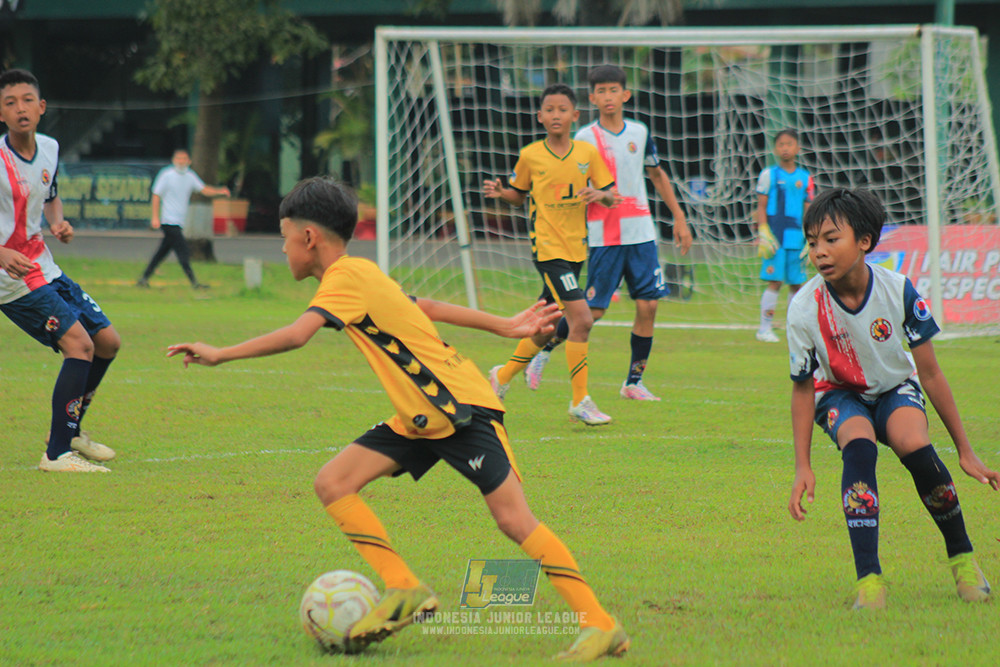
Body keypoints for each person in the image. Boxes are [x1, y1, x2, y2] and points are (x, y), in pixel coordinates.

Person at [166, 176, 630, 661]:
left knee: (514, 519)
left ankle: (600, 624)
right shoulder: (359, 272)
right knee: (333, 483)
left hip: (459, 408)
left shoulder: (345, 279)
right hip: (420, 416)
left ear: (309, 238)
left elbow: (298, 334)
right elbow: (421, 306)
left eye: (284, 238)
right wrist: (501, 324)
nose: (283, 250)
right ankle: (403, 586)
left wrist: (221, 353)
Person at [786, 188, 998, 609]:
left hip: (894, 388)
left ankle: (963, 560)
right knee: (859, 448)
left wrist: (965, 450)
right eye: (813, 242)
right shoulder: (803, 308)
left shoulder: (897, 289)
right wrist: (803, 466)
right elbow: (803, 387)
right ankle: (869, 582)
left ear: (864, 241)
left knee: (915, 446)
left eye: (831, 239)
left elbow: (932, 373)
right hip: (839, 395)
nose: (819, 252)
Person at [524, 65, 693, 401]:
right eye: (600, 91)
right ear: (591, 98)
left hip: (641, 231)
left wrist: (679, 217)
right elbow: (569, 175)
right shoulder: (584, 137)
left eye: (613, 90)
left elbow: (657, 175)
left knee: (648, 305)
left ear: (625, 95)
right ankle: (543, 353)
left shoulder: (640, 132)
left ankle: (633, 382)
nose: (607, 97)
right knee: (593, 311)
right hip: (605, 235)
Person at [0, 68, 120, 472]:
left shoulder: (49, 147)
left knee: (107, 342)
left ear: (42, 107)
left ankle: (70, 432)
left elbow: (50, 194)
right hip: (11, 279)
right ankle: (55, 454)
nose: (21, 109)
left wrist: (57, 222)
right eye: (10, 102)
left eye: (27, 100)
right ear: (0, 113)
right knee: (79, 345)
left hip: (43, 264)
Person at [482, 83, 618, 425]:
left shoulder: (586, 153)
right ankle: (580, 400)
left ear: (575, 115)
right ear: (540, 116)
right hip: (547, 249)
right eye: (549, 110)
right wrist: (502, 193)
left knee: (544, 327)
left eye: (562, 110)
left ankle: (502, 376)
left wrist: (599, 196)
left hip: (576, 249)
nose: (556, 115)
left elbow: (611, 194)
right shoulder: (531, 155)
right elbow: (518, 194)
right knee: (582, 320)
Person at [136, 149, 230, 289]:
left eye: (184, 159)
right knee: (183, 251)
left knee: (162, 252)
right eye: (178, 159)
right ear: (174, 160)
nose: (181, 161)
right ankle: (194, 283)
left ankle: (143, 279)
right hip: (168, 221)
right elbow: (156, 195)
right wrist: (155, 217)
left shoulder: (190, 176)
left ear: (189, 161)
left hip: (179, 221)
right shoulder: (166, 175)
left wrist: (219, 192)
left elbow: (203, 189)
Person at [755, 128, 815, 343]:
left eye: (789, 144)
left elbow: (809, 210)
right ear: (775, 149)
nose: (785, 148)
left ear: (798, 148)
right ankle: (764, 329)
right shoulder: (769, 174)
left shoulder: (805, 178)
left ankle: (793, 329)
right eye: (781, 144)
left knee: (797, 285)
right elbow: (761, 207)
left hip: (796, 238)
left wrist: (811, 238)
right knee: (775, 281)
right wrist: (763, 231)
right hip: (775, 237)